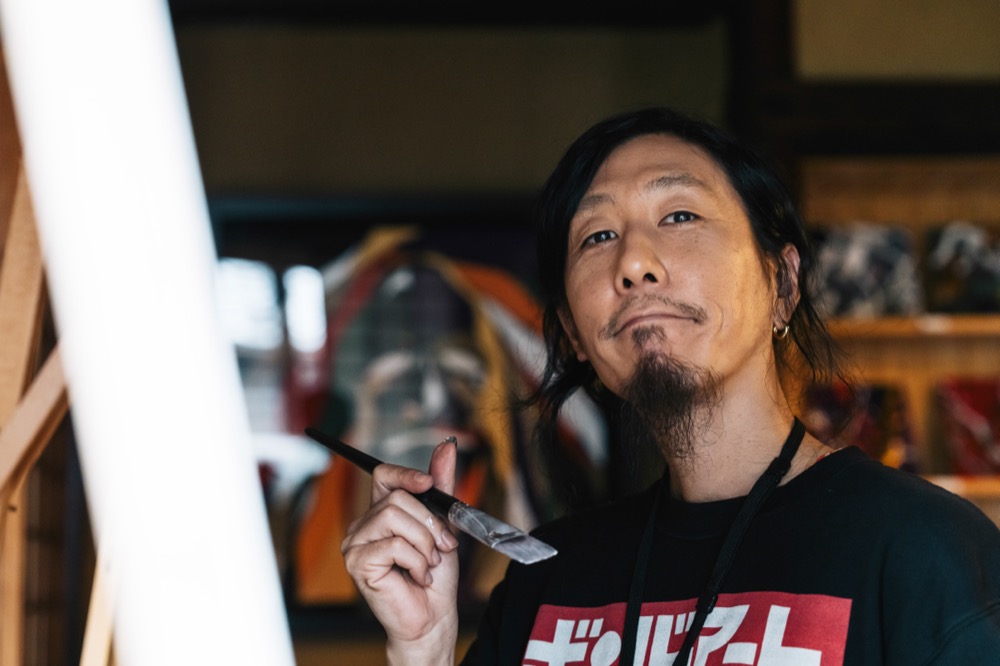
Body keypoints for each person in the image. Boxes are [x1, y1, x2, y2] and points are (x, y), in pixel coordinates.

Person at [339, 107, 1000, 664]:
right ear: (572, 332)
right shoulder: (548, 583)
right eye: (598, 235)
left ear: (782, 282)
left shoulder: (921, 550)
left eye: (680, 215)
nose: (633, 263)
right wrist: (424, 650)